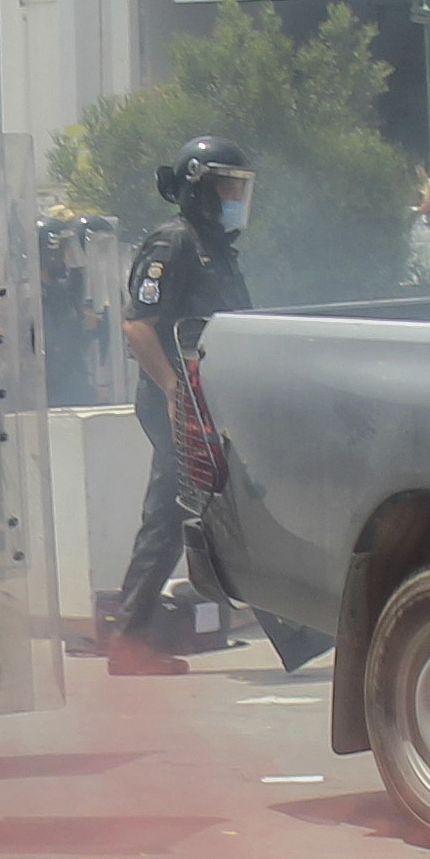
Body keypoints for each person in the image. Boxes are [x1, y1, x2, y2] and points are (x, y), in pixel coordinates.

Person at [106, 133, 255, 677]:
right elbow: (138, 326)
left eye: (241, 187)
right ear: (198, 189)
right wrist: (174, 393)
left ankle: (293, 623)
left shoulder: (217, 247)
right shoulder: (174, 242)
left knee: (215, 510)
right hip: (178, 399)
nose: (235, 197)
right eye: (225, 186)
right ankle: (128, 641)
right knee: (170, 513)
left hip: (209, 402)